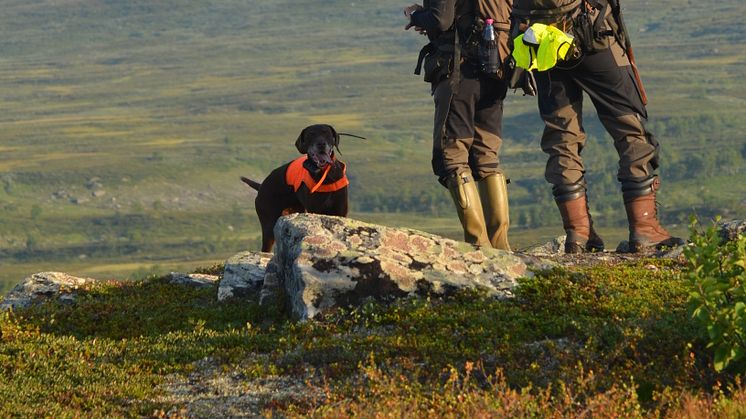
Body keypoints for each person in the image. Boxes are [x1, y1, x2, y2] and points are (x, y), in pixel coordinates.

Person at [510, 0, 684, 253]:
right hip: (592, 34)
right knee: (629, 128)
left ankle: (578, 234)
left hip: (540, 42)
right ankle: (644, 228)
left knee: (561, 136)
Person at [404, 0, 513, 250]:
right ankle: (500, 245)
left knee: (452, 157)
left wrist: (418, 16)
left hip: (460, 72)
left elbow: (441, 19)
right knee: (486, 155)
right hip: (496, 68)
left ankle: (479, 246)